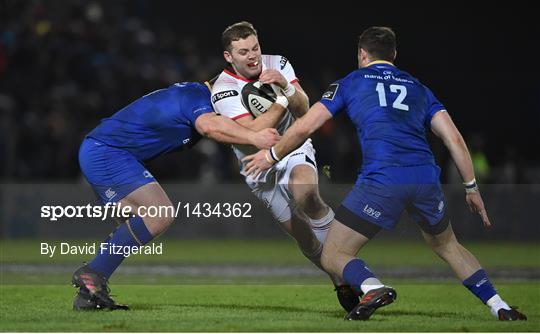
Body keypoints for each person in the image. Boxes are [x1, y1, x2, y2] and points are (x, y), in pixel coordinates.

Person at [243, 27, 527, 321]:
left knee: (333, 254)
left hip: (383, 181)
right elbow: (454, 138)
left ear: (362, 54)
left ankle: (372, 287)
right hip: (424, 179)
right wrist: (471, 187)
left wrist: (271, 155)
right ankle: (500, 306)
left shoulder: (352, 82)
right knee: (448, 245)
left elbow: (305, 126)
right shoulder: (418, 88)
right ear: (394, 55)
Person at [72, 82, 281, 310]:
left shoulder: (197, 96)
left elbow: (232, 127)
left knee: (137, 226)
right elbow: (209, 127)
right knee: (159, 214)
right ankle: (92, 274)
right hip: (108, 152)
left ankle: (88, 294)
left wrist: (282, 102)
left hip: (109, 151)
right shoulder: (197, 97)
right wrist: (256, 137)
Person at [209, 21, 359, 311]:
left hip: (292, 146)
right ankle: (340, 280)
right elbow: (255, 133)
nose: (253, 56)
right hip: (257, 168)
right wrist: (280, 98)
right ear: (229, 56)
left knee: (307, 195)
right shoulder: (223, 89)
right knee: (304, 237)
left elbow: (303, 108)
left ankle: (353, 270)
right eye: (243, 52)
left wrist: (287, 87)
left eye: (255, 47)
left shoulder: (278, 63)